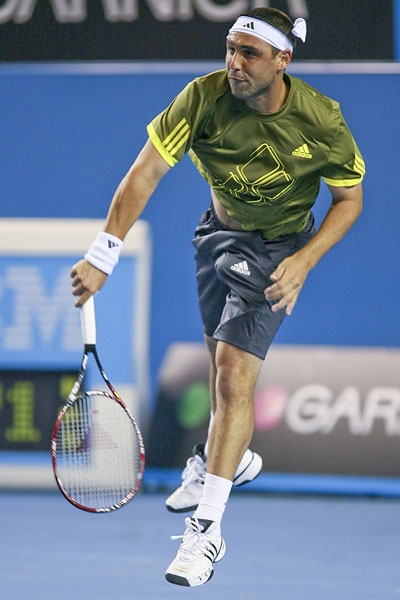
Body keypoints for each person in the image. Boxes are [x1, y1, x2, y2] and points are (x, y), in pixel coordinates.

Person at [71, 6, 365, 588]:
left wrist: (304, 261)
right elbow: (144, 174)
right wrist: (103, 254)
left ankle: (206, 532)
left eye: (249, 54)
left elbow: (349, 200)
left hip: (278, 251)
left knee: (232, 378)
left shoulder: (321, 120)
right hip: (217, 239)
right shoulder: (203, 99)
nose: (235, 63)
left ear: (282, 60)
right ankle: (229, 458)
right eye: (230, 49)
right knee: (217, 365)